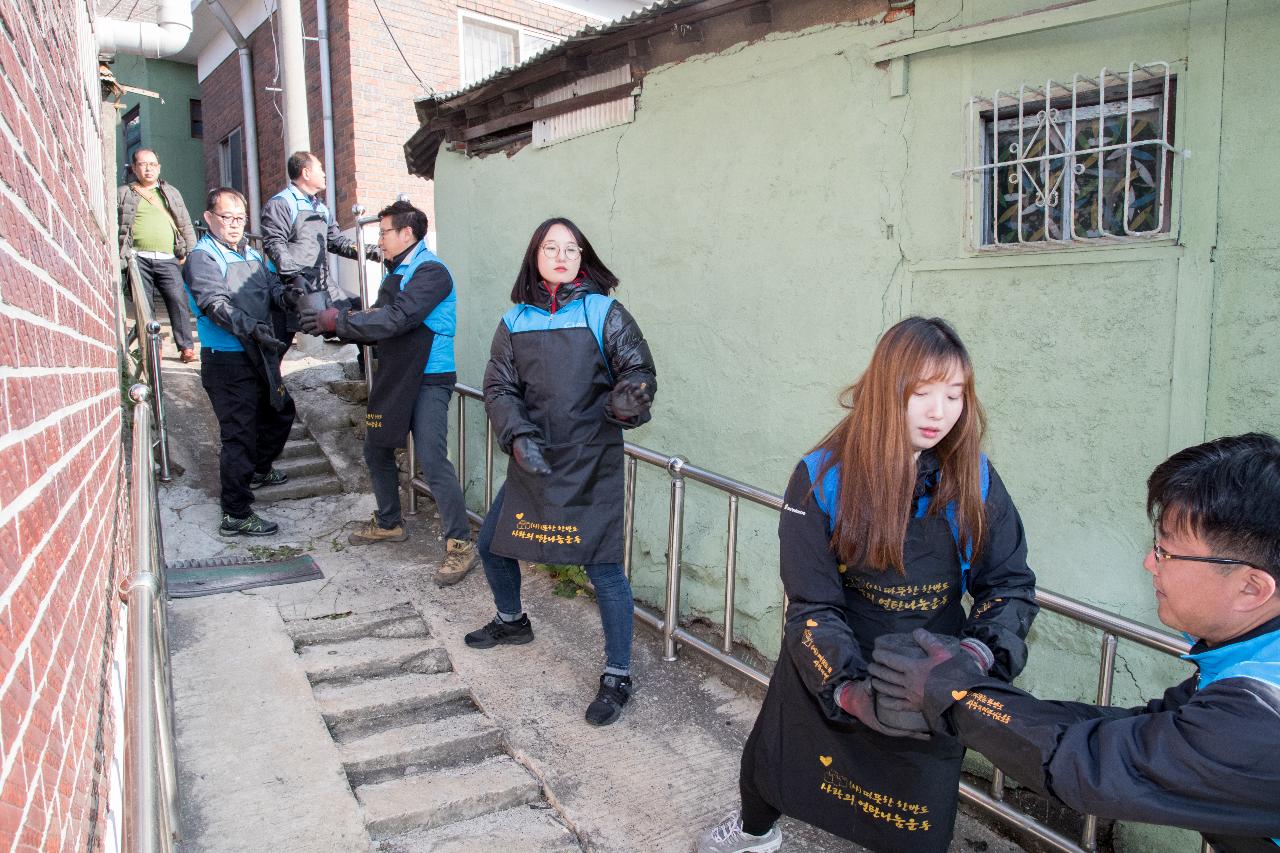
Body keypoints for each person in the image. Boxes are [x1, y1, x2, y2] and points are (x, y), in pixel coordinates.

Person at [698, 317, 1039, 853]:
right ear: (886, 390)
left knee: (916, 814)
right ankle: (753, 833)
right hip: (835, 652)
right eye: (921, 393)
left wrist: (974, 655)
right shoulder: (820, 476)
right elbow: (811, 602)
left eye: (954, 395)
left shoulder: (973, 477)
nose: (939, 412)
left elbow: (1009, 585)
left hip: (926, 670)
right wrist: (850, 691)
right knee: (779, 758)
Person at [869, 432, 1280, 853]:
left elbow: (1095, 765)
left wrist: (952, 694)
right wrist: (963, 690)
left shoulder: (1260, 712)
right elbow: (1135, 730)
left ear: (1252, 588)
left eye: (1165, 552)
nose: (1149, 563)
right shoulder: (1248, 662)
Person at [465, 217, 656, 727]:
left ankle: (618, 673)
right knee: (490, 543)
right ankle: (512, 620)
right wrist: (518, 436)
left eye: (572, 248)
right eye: (552, 247)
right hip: (532, 456)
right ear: (535, 256)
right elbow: (499, 388)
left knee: (603, 569)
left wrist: (627, 402)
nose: (562, 255)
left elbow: (637, 372)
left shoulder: (605, 311)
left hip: (591, 458)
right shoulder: (514, 321)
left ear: (583, 258)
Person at [299, 200, 476, 585]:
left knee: (431, 456)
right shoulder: (397, 271)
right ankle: (390, 522)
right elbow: (378, 316)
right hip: (397, 373)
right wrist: (335, 322)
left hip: (429, 377)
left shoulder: (432, 273)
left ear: (406, 233)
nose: (379, 239)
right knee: (376, 447)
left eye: (383, 232)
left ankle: (461, 543)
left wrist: (341, 321)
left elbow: (397, 318)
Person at [183, 187, 295, 536]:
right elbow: (215, 305)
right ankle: (235, 512)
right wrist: (252, 330)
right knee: (240, 434)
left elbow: (272, 288)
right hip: (227, 360)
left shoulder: (252, 253)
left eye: (239, 218)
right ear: (209, 218)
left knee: (280, 411)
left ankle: (259, 470)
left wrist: (291, 296)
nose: (234, 225)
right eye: (226, 217)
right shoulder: (202, 258)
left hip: (258, 354)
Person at [260, 151, 371, 343]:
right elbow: (274, 244)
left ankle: (366, 367)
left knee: (356, 315)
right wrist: (294, 278)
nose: (324, 173)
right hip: (290, 286)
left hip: (322, 281)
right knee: (276, 345)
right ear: (306, 173)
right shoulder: (281, 203)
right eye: (320, 169)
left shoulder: (321, 207)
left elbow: (337, 242)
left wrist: (371, 251)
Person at [117, 148, 199, 362]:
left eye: (152, 164)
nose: (148, 169)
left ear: (159, 168)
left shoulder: (170, 192)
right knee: (144, 305)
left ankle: (186, 346)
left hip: (167, 257)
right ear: (134, 168)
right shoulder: (124, 192)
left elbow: (184, 222)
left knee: (178, 299)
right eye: (143, 164)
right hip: (137, 257)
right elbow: (117, 224)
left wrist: (191, 251)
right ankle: (153, 347)